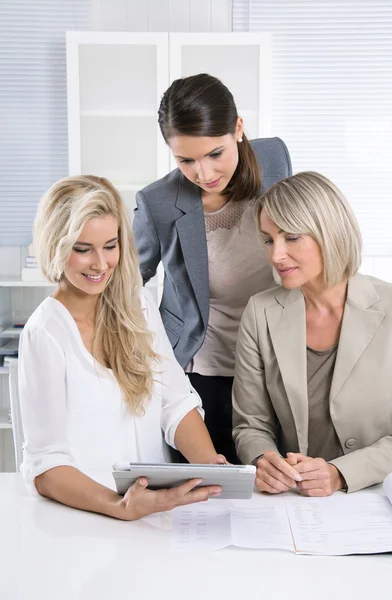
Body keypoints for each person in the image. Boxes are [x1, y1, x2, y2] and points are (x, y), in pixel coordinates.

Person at [19, 175, 227, 521]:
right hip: (89, 517)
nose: (100, 264)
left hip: (154, 512)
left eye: (110, 246)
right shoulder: (46, 334)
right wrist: (120, 507)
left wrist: (210, 466)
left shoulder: (138, 307)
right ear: (56, 246)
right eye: (83, 249)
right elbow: (46, 464)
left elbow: (174, 402)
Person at [133, 73, 292, 463]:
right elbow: (124, 282)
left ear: (238, 129)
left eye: (215, 154)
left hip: (276, 366)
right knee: (208, 498)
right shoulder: (158, 202)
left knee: (280, 486)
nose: (203, 174)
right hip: (203, 371)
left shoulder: (275, 159)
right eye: (186, 160)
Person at [233, 171, 392, 496]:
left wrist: (339, 473)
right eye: (268, 239)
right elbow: (251, 425)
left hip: (376, 496)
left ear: (329, 232)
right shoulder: (260, 311)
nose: (276, 255)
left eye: (291, 237)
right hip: (295, 503)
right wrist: (265, 460)